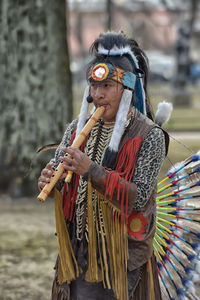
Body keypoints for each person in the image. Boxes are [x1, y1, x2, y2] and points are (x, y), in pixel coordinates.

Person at [38, 31, 169, 300]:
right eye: (94, 87)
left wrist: (91, 171)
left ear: (127, 88)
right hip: (77, 253)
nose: (97, 95)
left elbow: (139, 197)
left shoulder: (151, 136)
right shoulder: (76, 129)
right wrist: (52, 184)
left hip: (122, 258)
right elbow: (66, 186)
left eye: (107, 86)